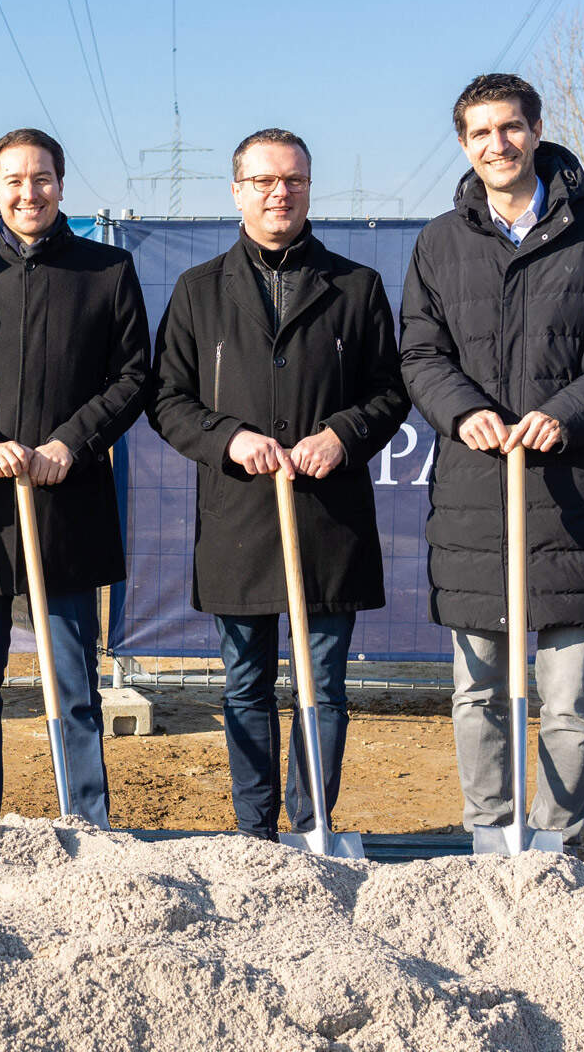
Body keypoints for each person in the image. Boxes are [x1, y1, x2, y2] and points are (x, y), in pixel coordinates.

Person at [401, 74, 584, 850]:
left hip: (574, 497)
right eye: (481, 132)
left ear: (537, 130)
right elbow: (420, 352)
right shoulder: (439, 242)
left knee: (568, 702)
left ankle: (556, 850)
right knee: (477, 691)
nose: (498, 144)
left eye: (511, 128)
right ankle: (490, 843)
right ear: (463, 143)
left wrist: (565, 414)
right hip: (474, 499)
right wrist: (466, 412)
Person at [149, 128, 410, 841]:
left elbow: (391, 392)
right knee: (246, 684)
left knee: (324, 685)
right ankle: (253, 831)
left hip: (329, 519)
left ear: (308, 189)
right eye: (263, 181)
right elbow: (167, 399)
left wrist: (342, 435)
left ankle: (314, 825)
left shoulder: (357, 288)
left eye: (292, 180)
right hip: (239, 520)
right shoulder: (198, 290)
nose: (279, 194)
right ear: (237, 191)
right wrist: (228, 438)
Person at [0, 128, 152, 829]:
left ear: (62, 185)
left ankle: (87, 819)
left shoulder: (106, 271)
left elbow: (135, 376)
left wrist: (72, 443)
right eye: (15, 180)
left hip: (68, 505)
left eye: (44, 178)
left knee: (74, 681)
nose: (30, 192)